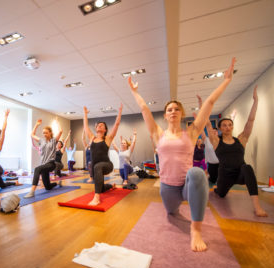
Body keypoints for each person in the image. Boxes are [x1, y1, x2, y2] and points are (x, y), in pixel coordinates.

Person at [128, 57, 236, 252]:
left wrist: (226, 80)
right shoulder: (158, 134)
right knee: (171, 213)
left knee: (196, 172)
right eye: (169, 109)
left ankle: (196, 229)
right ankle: (175, 208)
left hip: (187, 185)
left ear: (181, 113)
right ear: (165, 115)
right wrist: (135, 92)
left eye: (177, 109)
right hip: (168, 188)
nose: (173, 111)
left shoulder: (192, 133)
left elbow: (210, 103)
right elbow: (144, 109)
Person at [208, 85, 267, 217]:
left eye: (230, 125)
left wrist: (256, 102)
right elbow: (206, 123)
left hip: (240, 173)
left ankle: (257, 207)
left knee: (247, 167)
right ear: (220, 129)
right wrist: (204, 106)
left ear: (233, 127)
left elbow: (250, 121)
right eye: (224, 125)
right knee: (221, 194)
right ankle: (217, 190)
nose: (228, 127)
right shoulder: (217, 141)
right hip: (224, 175)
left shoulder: (242, 139)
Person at [83, 104, 122, 206]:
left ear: (105, 130)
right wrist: (85, 114)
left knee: (97, 166)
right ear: (96, 128)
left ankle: (96, 198)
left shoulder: (108, 139)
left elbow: (117, 124)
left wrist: (120, 112)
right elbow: (86, 126)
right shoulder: (91, 138)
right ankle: (110, 186)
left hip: (107, 165)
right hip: (97, 168)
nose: (99, 125)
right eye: (98, 125)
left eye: (102, 125)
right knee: (101, 187)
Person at [24, 119, 63, 198]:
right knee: (48, 187)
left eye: (46, 132)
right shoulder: (41, 140)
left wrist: (58, 122)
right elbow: (32, 134)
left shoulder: (53, 140)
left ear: (50, 133)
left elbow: (61, 131)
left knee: (37, 169)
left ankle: (32, 191)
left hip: (51, 164)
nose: (44, 134)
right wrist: (37, 125)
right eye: (43, 133)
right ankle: (57, 183)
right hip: (44, 164)